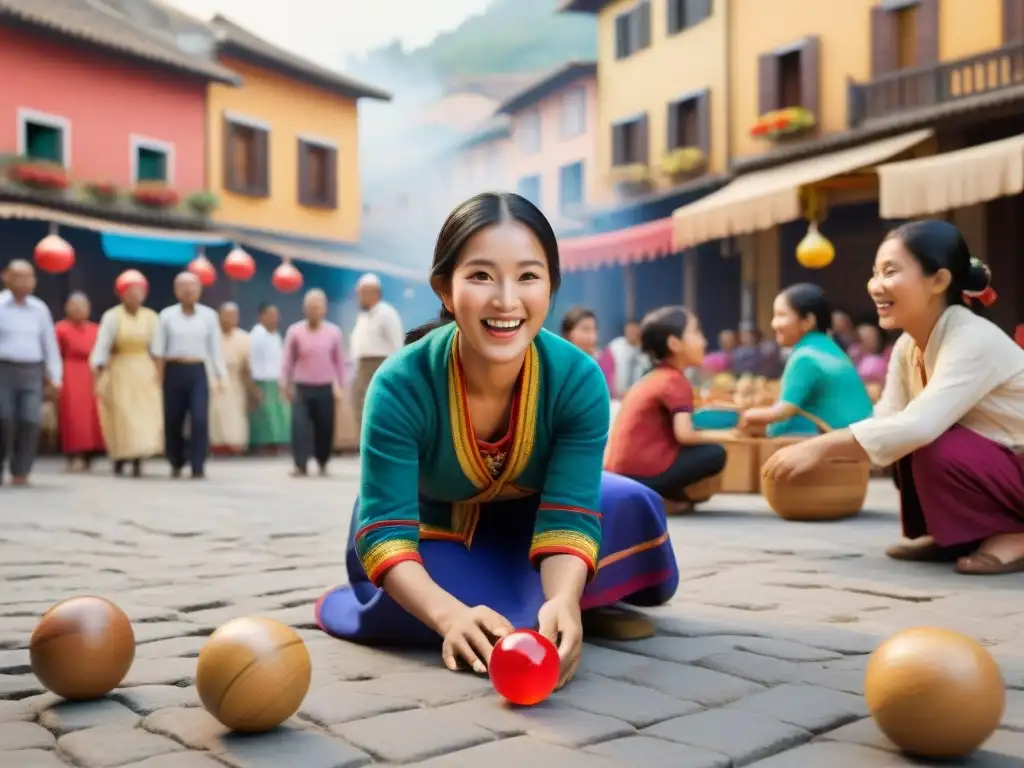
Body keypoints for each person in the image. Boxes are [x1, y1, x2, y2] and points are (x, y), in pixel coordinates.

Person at [314, 192, 678, 687]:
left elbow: (568, 513)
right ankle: (555, 605)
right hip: (431, 526)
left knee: (631, 503)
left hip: (531, 518)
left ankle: (569, 608)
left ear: (551, 287)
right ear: (445, 289)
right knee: (462, 609)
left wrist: (563, 600)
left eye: (528, 276)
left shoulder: (578, 379)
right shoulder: (400, 382)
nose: (506, 300)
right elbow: (387, 533)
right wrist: (447, 617)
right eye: (481, 276)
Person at [763, 220, 1024, 575]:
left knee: (931, 443)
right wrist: (830, 445)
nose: (875, 286)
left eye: (890, 272)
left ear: (939, 281)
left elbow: (920, 425)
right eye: (874, 273)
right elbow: (887, 418)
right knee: (903, 442)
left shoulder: (971, 338)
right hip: (1003, 463)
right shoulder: (906, 346)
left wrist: (820, 447)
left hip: (1014, 462)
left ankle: (1015, 535)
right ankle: (960, 536)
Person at [604, 306, 727, 514]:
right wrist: (726, 434)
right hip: (639, 477)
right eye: (696, 332)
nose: (704, 341)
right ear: (674, 343)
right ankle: (658, 498)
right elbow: (685, 434)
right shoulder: (675, 380)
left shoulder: (653, 378)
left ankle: (661, 497)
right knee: (715, 453)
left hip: (618, 474)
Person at [739, 284, 873, 437]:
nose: (773, 324)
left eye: (781, 315)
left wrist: (748, 415)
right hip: (859, 438)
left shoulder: (805, 357)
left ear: (807, 321)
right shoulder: (829, 349)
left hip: (842, 445)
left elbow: (782, 412)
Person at [152, 271, 225, 479]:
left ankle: (198, 463)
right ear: (176, 291)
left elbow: (215, 349)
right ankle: (175, 460)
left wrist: (220, 377)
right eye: (184, 287)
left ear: (200, 290)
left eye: (193, 287)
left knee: (200, 418)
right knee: (173, 419)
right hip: (174, 370)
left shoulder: (209, 316)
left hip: (198, 371)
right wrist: (159, 376)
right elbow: (158, 350)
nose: (189, 291)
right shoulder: (166, 315)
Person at [91, 270, 163, 478]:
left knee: (144, 415)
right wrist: (98, 370)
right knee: (123, 415)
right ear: (122, 294)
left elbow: (157, 349)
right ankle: (120, 456)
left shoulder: (151, 317)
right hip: (120, 369)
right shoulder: (112, 316)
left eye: (139, 292)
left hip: (143, 370)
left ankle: (139, 458)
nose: (135, 296)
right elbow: (102, 347)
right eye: (131, 292)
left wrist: (159, 373)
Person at [0, 260, 61, 486]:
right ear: (6, 277)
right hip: (3, 370)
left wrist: (55, 377)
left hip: (32, 371)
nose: (26, 282)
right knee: (3, 418)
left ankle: (21, 471)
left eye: (30, 277)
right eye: (19, 276)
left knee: (30, 420)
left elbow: (50, 346)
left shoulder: (39, 309)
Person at [281, 289, 346, 477]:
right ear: (304, 309)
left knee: (325, 427)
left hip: (325, 387)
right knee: (299, 426)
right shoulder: (295, 331)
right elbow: (288, 360)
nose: (314, 311)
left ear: (324, 310)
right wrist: (284, 383)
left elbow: (339, 362)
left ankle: (322, 461)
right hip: (302, 387)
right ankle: (300, 464)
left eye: (317, 307)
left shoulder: (334, 332)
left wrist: (341, 386)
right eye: (310, 307)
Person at [350, 273, 403, 438]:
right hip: (362, 365)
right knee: (359, 404)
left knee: (382, 405)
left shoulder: (387, 313)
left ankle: (385, 443)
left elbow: (397, 343)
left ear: (374, 292)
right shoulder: (363, 315)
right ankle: (367, 443)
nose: (359, 297)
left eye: (362, 293)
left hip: (381, 363)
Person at [54, 292, 104, 471]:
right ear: (66, 308)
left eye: (82, 305)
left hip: (92, 373)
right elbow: (55, 354)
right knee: (73, 416)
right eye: (74, 305)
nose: (78, 309)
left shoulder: (96, 329)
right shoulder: (60, 328)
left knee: (93, 417)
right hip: (70, 373)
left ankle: (91, 454)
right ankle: (74, 454)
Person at [209, 303, 252, 455]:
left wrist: (251, 390)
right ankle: (216, 447)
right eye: (226, 316)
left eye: (234, 316)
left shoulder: (244, 337)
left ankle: (235, 447)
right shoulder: (211, 336)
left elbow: (247, 367)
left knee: (236, 418)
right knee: (215, 416)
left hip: (235, 382)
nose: (230, 319)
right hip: (214, 381)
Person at [248, 303, 289, 454]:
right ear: (261, 316)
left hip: (276, 381)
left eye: (276, 316)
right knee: (264, 417)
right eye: (270, 315)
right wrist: (254, 387)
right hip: (261, 381)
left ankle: (277, 446)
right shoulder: (256, 335)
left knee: (278, 417)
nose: (274, 319)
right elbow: (251, 362)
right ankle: (262, 447)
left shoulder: (276, 335)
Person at [561, 306, 615, 395]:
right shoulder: (558, 361)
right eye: (585, 329)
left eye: (594, 330)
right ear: (569, 333)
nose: (592, 336)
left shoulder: (604, 358)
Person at [605, 320, 644, 396]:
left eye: (634, 331)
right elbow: (606, 369)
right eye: (629, 331)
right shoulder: (615, 346)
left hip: (639, 396)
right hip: (617, 395)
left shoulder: (645, 350)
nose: (631, 334)